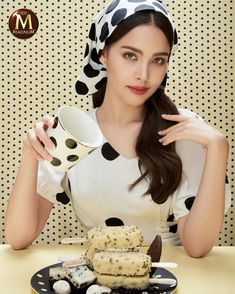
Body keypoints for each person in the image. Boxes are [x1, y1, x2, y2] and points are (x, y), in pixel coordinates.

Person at [5, 0, 231, 257]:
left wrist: (218, 148)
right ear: (103, 53)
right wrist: (29, 156)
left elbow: (198, 247)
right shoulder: (74, 133)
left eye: (158, 60)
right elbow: (18, 237)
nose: (143, 74)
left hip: (169, 277)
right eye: (130, 55)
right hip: (96, 277)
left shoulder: (183, 129)